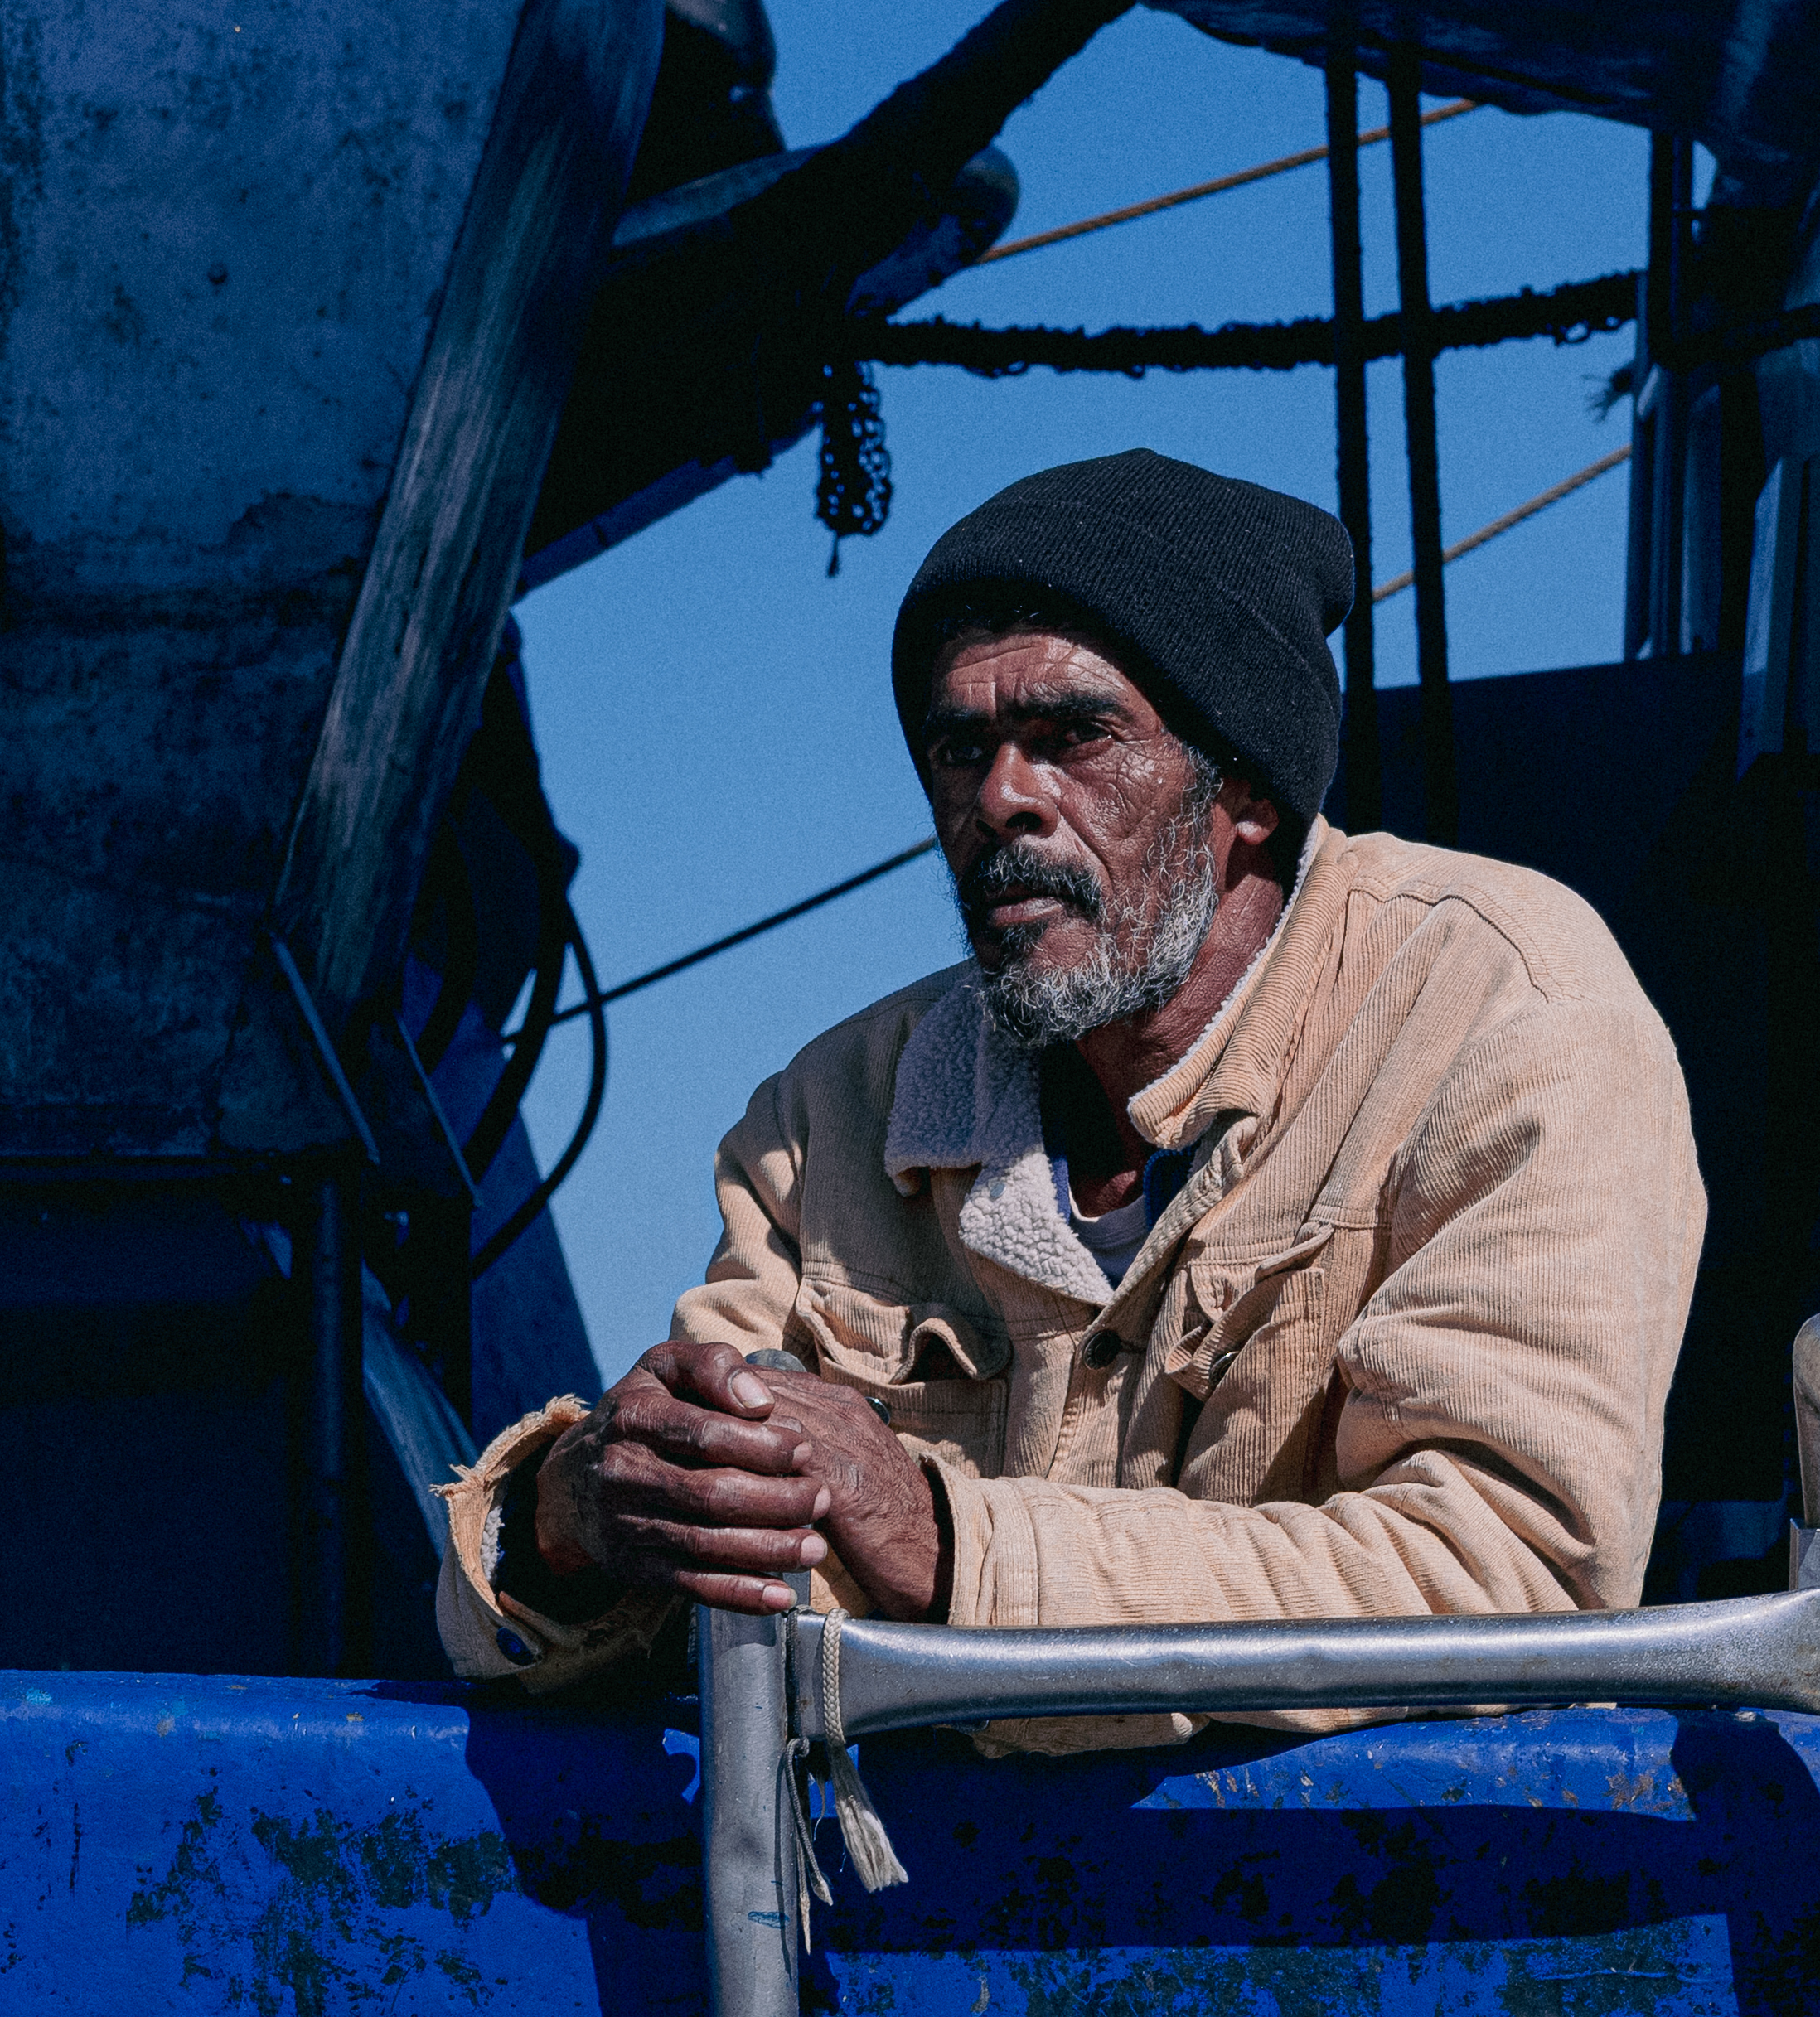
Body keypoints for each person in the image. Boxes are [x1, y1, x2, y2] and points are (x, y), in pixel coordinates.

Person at [438, 446, 1705, 1677]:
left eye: (1073, 736)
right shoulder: (830, 1119)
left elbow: (1506, 1577)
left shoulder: (1505, 1015)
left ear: (1248, 788)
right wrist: (565, 1523)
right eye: (960, 749)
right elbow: (687, 1585)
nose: (1001, 797)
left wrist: (947, 1548)